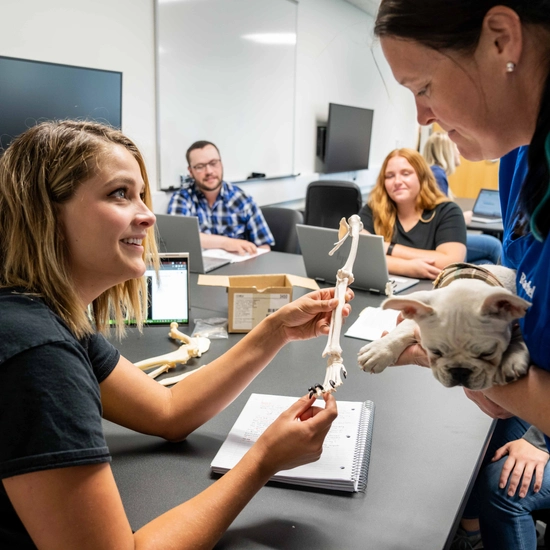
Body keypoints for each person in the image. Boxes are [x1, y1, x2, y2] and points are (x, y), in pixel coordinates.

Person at [0, 120, 351, 549]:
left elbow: (169, 411)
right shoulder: (38, 354)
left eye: (141, 195)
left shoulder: (46, 317)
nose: (147, 215)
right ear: (46, 213)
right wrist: (263, 460)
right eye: (119, 194)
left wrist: (277, 328)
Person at [372, 1, 550, 548]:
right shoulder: (520, 156)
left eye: (423, 86)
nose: (422, 117)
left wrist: (447, 357)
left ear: (501, 40)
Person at [359, 147, 467, 280]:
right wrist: (407, 267)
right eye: (390, 176)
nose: (397, 182)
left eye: (406, 173)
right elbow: (359, 252)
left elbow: (450, 263)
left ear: (422, 177)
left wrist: (387, 248)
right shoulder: (373, 209)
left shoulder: (448, 211)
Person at [167, 140, 274, 255]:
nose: (209, 171)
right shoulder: (181, 199)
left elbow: (264, 246)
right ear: (191, 171)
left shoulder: (242, 199)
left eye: (213, 163)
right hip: (199, 271)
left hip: (239, 270)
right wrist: (227, 243)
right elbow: (179, 237)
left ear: (221, 164)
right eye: (200, 167)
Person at [423, 131, 503, 265]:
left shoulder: (432, 173)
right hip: (437, 242)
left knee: (485, 263)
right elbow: (438, 220)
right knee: (494, 245)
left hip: (433, 239)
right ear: (446, 151)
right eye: (455, 147)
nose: (458, 152)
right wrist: (460, 219)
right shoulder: (437, 175)